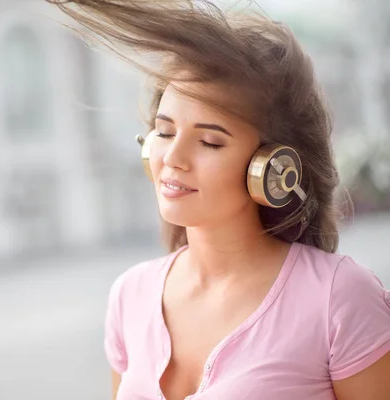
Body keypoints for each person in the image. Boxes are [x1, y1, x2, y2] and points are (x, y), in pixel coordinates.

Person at [46, 1, 390, 399]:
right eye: (164, 131)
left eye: (209, 141)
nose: (173, 158)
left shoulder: (339, 298)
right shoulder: (130, 295)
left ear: (274, 167)